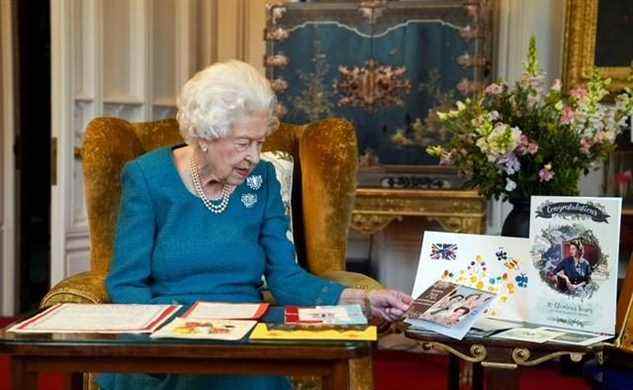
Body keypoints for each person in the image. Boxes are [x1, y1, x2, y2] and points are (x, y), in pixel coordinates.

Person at [97, 60, 412, 390]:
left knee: (249, 376)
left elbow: (285, 276)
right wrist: (163, 337)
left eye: (260, 142)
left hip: (244, 329)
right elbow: (127, 282)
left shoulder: (262, 180)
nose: (255, 157)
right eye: (244, 143)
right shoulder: (147, 177)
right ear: (206, 135)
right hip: (168, 332)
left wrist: (359, 299)